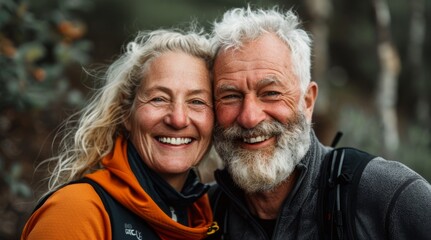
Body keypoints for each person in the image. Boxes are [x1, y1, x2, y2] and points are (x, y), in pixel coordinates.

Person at [210, 6, 431, 239]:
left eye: (271, 93)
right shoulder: (202, 216)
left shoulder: (389, 197)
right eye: (231, 96)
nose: (249, 117)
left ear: (307, 101)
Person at [21, 28, 219, 240]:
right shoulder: (77, 210)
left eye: (197, 102)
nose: (178, 119)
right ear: (126, 112)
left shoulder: (209, 217)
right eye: (159, 99)